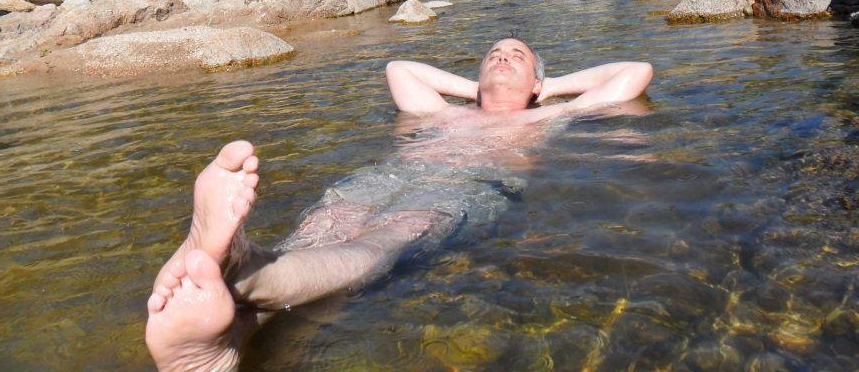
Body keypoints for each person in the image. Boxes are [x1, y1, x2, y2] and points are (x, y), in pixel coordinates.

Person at [145, 39, 653, 372]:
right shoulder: (442, 115)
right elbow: (400, 69)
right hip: (387, 177)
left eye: (516, 56)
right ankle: (231, 330)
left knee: (381, 240)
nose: (502, 57)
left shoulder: (548, 118)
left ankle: (246, 270)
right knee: (324, 228)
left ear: (538, 84)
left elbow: (636, 72)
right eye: (493, 53)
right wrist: (478, 90)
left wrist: (544, 92)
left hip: (466, 189)